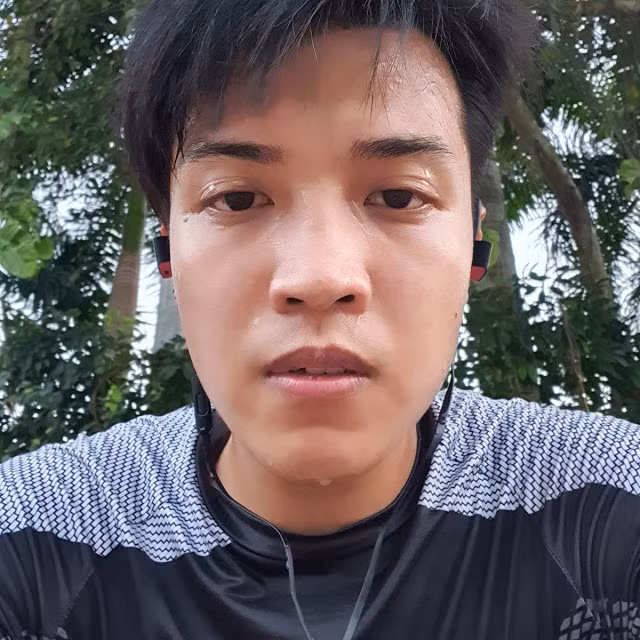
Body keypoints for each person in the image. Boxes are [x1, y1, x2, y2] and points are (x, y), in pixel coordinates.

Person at [1, 0, 639, 638]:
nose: (319, 278)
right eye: (237, 198)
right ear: (168, 247)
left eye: (398, 196)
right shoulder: (35, 537)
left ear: (475, 243)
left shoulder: (603, 507)